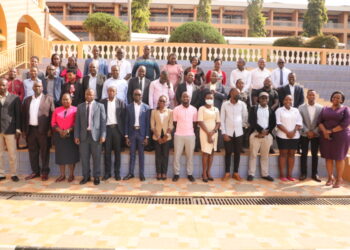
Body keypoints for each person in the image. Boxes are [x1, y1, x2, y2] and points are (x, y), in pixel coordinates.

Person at [22, 81, 55, 181]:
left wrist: (50, 129)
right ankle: (35, 171)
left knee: (44, 152)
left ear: (42, 88)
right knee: (33, 151)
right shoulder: (27, 100)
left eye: (39, 86)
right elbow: (24, 116)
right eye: (35, 86)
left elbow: (52, 115)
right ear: (32, 88)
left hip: (44, 131)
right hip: (30, 130)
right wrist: (24, 130)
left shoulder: (48, 99)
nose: (37, 88)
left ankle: (44, 172)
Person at [74, 89, 106, 185]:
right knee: (84, 158)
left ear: (94, 95)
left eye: (91, 94)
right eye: (87, 94)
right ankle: (86, 177)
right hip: (84, 136)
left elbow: (103, 122)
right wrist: (76, 136)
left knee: (96, 158)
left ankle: (96, 177)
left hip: (96, 137)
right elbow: (77, 123)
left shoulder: (100, 106)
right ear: (84, 95)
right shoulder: (80, 106)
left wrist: (103, 135)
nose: (89, 96)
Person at [318, 91, 350, 188]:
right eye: (334, 97)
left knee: (339, 158)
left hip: (341, 136)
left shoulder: (345, 109)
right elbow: (319, 122)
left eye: (338, 98)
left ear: (342, 100)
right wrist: (324, 132)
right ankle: (330, 177)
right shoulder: (325, 109)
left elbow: (345, 124)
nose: (335, 99)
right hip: (326, 136)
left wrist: (330, 131)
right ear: (331, 98)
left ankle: (339, 178)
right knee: (328, 157)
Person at [247, 92, 276, 182]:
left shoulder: (271, 110)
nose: (264, 100)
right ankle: (251, 174)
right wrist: (260, 131)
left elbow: (273, 123)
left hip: (267, 135)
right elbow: (251, 121)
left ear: (268, 100)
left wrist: (266, 132)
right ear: (258, 99)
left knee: (265, 155)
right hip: (256, 134)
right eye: (262, 98)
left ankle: (265, 174)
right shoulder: (253, 108)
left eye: (266, 98)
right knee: (253, 155)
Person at [221, 88, 248, 181]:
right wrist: (224, 133)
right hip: (228, 133)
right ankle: (227, 173)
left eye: (239, 94)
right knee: (228, 153)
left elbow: (245, 117)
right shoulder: (225, 104)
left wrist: (241, 126)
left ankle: (236, 173)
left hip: (239, 132)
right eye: (236, 93)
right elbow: (222, 120)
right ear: (231, 93)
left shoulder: (242, 105)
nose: (238, 95)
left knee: (237, 153)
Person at [123, 89, 150, 181]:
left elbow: (147, 123)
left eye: (139, 95)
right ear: (133, 96)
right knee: (132, 154)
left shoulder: (146, 107)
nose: (137, 96)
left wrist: (147, 137)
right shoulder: (128, 107)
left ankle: (141, 174)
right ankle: (131, 173)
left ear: (142, 96)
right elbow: (126, 122)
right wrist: (126, 136)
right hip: (132, 133)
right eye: (135, 95)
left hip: (141, 134)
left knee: (141, 155)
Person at [51, 93, 79, 182]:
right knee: (61, 156)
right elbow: (53, 123)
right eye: (63, 99)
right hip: (59, 136)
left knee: (71, 156)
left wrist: (68, 130)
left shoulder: (76, 110)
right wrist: (59, 130)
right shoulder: (56, 110)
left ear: (71, 100)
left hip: (71, 136)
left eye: (67, 99)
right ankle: (62, 175)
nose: (65, 101)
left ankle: (71, 174)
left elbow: (77, 123)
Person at [275, 95, 303, 181]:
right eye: (286, 99)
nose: (288, 101)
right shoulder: (279, 110)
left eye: (290, 99)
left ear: (292, 101)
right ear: (283, 101)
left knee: (291, 155)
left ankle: (290, 175)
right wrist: (288, 132)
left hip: (294, 136)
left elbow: (299, 123)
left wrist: (293, 132)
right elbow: (278, 123)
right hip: (282, 136)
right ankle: (282, 175)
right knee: (283, 155)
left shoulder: (296, 110)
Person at [101, 86, 126, 181]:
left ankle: (117, 173)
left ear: (116, 92)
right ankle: (107, 173)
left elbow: (123, 118)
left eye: (113, 91)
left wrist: (123, 133)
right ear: (107, 92)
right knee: (107, 152)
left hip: (117, 130)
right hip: (106, 130)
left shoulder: (121, 102)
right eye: (109, 91)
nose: (111, 92)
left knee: (117, 153)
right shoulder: (102, 102)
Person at [172, 92, 198, 182]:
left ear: (189, 98)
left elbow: (195, 123)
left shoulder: (194, 109)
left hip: (190, 135)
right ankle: (176, 174)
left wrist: (189, 130)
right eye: (184, 96)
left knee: (190, 156)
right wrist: (181, 129)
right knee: (176, 156)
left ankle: (190, 174)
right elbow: (174, 122)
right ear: (181, 98)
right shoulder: (176, 109)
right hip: (179, 135)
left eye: (187, 97)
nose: (185, 98)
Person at [298, 90, 323, 182]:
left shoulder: (321, 108)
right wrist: (307, 131)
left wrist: (314, 132)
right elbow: (300, 120)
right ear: (307, 96)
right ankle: (303, 173)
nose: (311, 96)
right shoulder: (301, 107)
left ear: (315, 96)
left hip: (316, 135)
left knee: (315, 154)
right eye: (310, 95)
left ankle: (314, 174)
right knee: (303, 154)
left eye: (313, 95)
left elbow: (321, 121)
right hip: (305, 134)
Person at [0, 78, 21, 182]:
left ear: (7, 86)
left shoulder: (15, 98)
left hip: (10, 129)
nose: (1, 87)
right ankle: (1, 173)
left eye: (3, 85)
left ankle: (14, 173)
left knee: (12, 154)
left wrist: (18, 128)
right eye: (0, 85)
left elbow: (18, 114)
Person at [198, 92, 220, 182]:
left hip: (214, 133)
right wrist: (208, 133)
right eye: (208, 98)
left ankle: (209, 172)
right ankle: (203, 173)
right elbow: (200, 121)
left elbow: (218, 122)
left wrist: (214, 131)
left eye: (211, 98)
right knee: (205, 153)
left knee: (212, 153)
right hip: (204, 132)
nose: (209, 99)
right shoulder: (201, 109)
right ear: (204, 99)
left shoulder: (216, 109)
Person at [150, 95, 173, 180]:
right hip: (157, 137)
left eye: (164, 101)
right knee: (158, 156)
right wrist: (159, 137)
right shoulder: (154, 112)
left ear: (166, 102)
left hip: (167, 137)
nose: (162, 102)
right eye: (161, 101)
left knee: (165, 155)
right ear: (158, 102)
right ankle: (158, 173)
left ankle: (164, 173)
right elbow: (152, 126)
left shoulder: (170, 111)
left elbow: (171, 125)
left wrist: (166, 136)